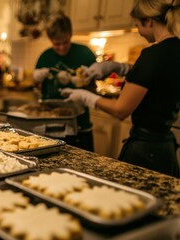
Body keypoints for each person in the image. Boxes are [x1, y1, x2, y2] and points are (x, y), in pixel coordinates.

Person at [61, 0, 180, 178]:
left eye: (137, 25)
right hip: (166, 147)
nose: (139, 31)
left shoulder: (152, 54)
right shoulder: (175, 49)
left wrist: (87, 97)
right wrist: (120, 68)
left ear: (149, 21)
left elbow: (120, 110)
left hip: (145, 150)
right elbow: (158, 77)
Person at [33, 13, 96, 151]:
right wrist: (36, 79)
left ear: (70, 34)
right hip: (49, 126)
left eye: (65, 42)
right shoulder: (45, 57)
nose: (62, 47)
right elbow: (36, 89)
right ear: (50, 39)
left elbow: (94, 89)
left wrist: (86, 81)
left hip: (79, 126)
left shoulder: (85, 54)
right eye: (57, 44)